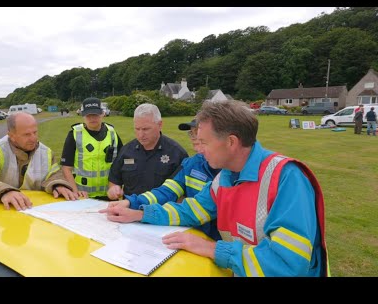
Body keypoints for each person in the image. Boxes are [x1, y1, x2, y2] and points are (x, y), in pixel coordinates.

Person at [101, 100, 329, 277]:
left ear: (231, 142)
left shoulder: (287, 179)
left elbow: (287, 265)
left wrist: (212, 249)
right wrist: (139, 213)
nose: (199, 149)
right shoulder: (226, 177)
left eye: (205, 142)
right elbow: (189, 211)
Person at [110, 119, 221, 240]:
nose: (197, 150)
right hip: (194, 237)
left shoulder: (230, 176)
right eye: (194, 140)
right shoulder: (193, 163)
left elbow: (194, 211)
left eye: (203, 142)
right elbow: (167, 191)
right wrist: (131, 203)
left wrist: (140, 214)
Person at [0, 112, 78, 211]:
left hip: (35, 210)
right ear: (11, 135)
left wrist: (58, 185)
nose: (33, 138)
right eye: (26, 134)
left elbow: (55, 175)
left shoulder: (46, 152)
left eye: (35, 132)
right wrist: (4, 192)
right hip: (4, 211)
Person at [107, 103, 188, 200]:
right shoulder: (126, 151)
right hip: (129, 211)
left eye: (146, 129)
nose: (141, 135)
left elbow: (184, 193)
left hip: (161, 213)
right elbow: (114, 180)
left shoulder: (177, 153)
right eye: (137, 129)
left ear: (160, 125)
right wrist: (113, 189)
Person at [60, 97, 123, 199]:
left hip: (109, 196)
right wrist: (75, 192)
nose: (92, 118)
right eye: (88, 115)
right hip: (82, 196)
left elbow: (121, 164)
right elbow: (66, 168)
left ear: (102, 113)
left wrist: (117, 187)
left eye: (95, 114)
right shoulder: (75, 134)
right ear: (83, 115)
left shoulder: (112, 133)